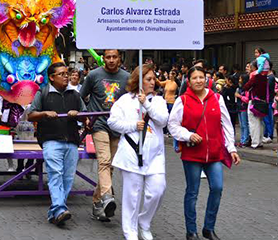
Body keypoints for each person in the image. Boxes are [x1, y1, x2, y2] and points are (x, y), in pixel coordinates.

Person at [168, 66, 240, 240]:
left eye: (202, 77)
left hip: (214, 153)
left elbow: (227, 124)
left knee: (217, 188)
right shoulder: (183, 100)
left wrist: (231, 148)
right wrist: (188, 135)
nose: (199, 80)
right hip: (192, 154)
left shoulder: (216, 98)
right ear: (189, 81)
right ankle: (191, 231)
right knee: (192, 192)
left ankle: (209, 228)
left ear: (206, 79)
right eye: (194, 78)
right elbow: (172, 125)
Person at [108, 64, 168, 240]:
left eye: (153, 79)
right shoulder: (125, 100)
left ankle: (144, 221)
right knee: (132, 196)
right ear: (138, 80)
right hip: (131, 153)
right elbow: (113, 122)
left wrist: (146, 104)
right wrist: (132, 126)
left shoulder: (158, 101)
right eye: (148, 79)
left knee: (157, 190)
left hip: (155, 155)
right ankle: (130, 231)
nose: (152, 82)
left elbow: (163, 120)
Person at [28, 62, 87, 227]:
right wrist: (44, 113)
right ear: (52, 78)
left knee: (68, 178)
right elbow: (30, 115)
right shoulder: (43, 93)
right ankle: (60, 209)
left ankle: (55, 212)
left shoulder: (75, 95)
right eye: (61, 74)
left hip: (72, 141)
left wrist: (79, 115)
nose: (66, 76)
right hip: (51, 140)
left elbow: (86, 116)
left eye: (66, 73)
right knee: (55, 174)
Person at [80, 49, 130, 222]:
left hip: (118, 126)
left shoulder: (127, 77)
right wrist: (85, 116)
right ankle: (108, 196)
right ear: (103, 58)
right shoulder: (93, 75)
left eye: (114, 57)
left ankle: (97, 202)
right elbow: (81, 97)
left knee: (111, 166)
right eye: (108, 57)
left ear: (119, 59)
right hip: (98, 124)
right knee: (104, 161)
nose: (110, 60)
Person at [244, 61, 268, 148]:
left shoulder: (255, 76)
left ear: (255, 68)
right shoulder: (265, 77)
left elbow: (246, 87)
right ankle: (260, 142)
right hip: (263, 102)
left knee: (253, 123)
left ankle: (255, 143)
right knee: (260, 122)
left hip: (254, 102)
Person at [234, 74, 251, 147]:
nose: (239, 80)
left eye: (240, 79)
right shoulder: (239, 88)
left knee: (245, 124)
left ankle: (245, 140)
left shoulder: (246, 89)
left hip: (244, 108)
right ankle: (242, 139)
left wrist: (240, 96)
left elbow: (247, 99)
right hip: (239, 108)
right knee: (241, 125)